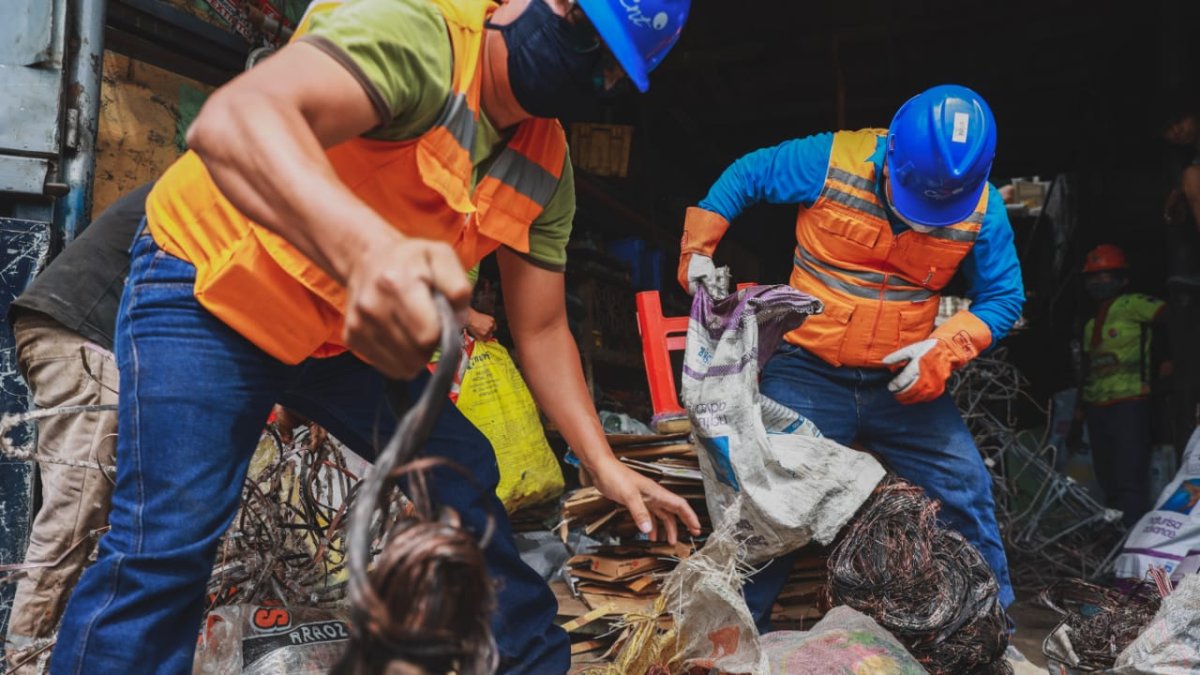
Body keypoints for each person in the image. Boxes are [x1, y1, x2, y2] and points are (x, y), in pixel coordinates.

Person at [50, 1, 698, 673]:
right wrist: (369, 257)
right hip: (215, 283)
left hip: (334, 337)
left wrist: (603, 463)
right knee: (168, 542)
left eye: (610, 64)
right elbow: (235, 122)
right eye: (576, 21)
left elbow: (541, 327)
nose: (586, 60)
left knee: (460, 474)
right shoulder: (421, 34)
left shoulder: (545, 162)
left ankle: (531, 665)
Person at [678, 84, 1025, 630]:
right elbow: (748, 174)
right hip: (807, 368)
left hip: (903, 383)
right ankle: (733, 638)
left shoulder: (983, 208)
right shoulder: (830, 160)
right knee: (770, 496)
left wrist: (943, 351)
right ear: (891, 156)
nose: (924, 220)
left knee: (966, 487)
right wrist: (698, 249)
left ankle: (991, 632)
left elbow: (1004, 297)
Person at [2, 185, 150, 674]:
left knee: (96, 512)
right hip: (81, 336)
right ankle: (23, 661)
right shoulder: (219, 188)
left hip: (66, 329)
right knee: (75, 511)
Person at [1079, 244, 1167, 527]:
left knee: (1130, 477)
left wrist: (1169, 360)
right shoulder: (1090, 324)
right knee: (1107, 478)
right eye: (1093, 277)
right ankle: (1115, 536)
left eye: (1105, 275)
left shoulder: (1134, 305)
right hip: (1098, 407)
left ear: (1122, 279)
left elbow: (1176, 317)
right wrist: (1080, 412)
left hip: (1130, 403)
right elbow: (1088, 369)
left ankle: (1131, 535)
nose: (1098, 282)